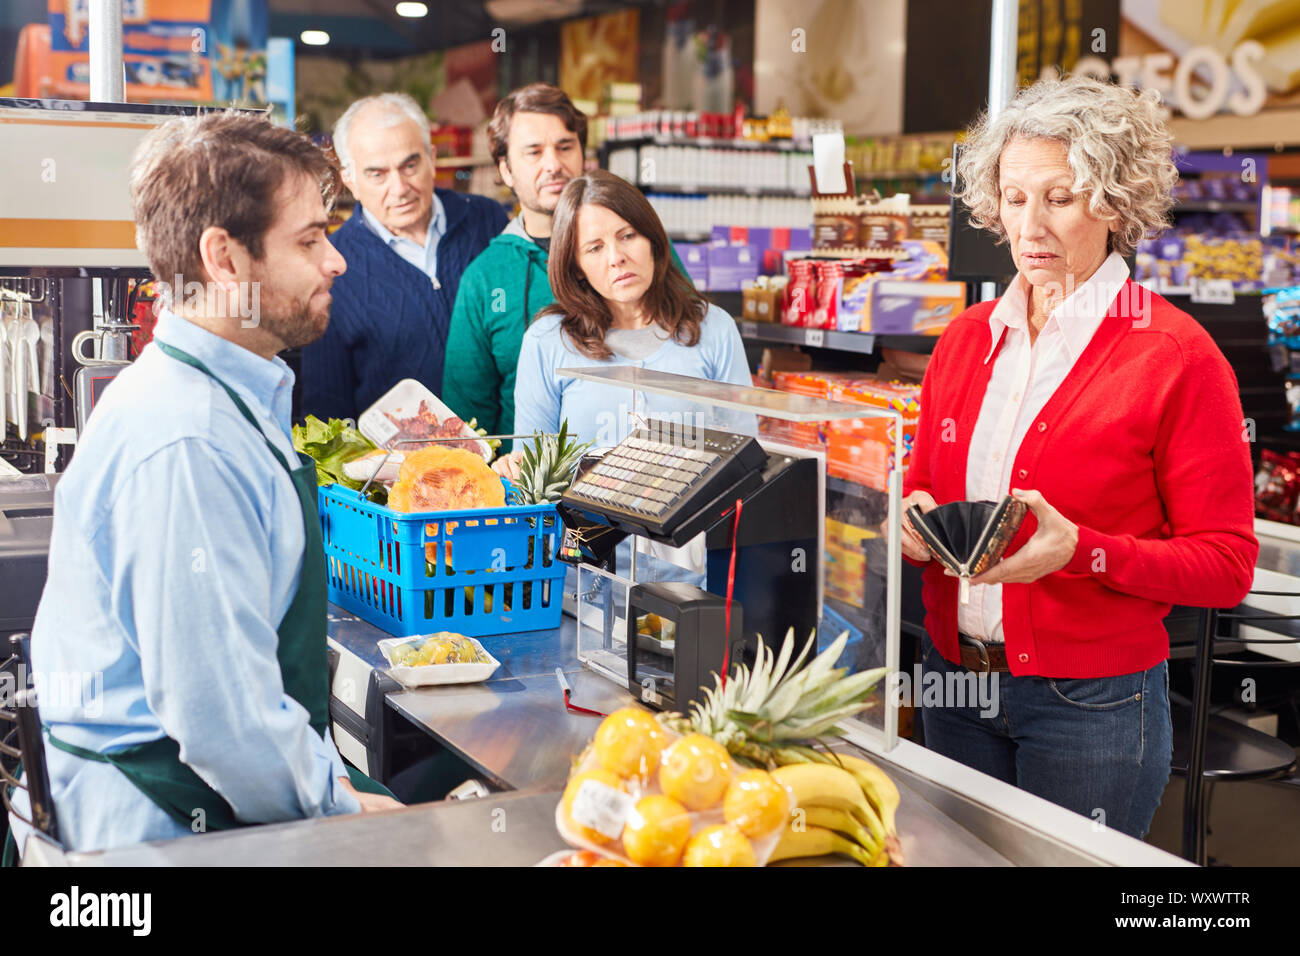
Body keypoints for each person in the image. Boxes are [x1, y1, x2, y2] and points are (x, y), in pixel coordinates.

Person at [5, 113, 401, 861]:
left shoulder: (222, 393)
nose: (337, 262)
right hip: (149, 829)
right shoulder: (186, 439)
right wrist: (342, 809)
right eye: (310, 239)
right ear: (223, 257)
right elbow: (225, 719)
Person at [897, 77, 1258, 839]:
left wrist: (1083, 554)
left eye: (1060, 197)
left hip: (1091, 705)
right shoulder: (965, 340)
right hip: (952, 682)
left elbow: (1225, 562)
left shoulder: (1176, 357)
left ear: (1117, 203)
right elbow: (928, 484)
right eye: (1014, 196)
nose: (1030, 225)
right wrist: (913, 518)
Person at [507, 170, 753, 585]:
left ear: (654, 242)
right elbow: (535, 478)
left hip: (693, 584)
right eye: (595, 247)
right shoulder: (548, 340)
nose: (616, 257)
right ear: (576, 266)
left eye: (627, 236)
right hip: (582, 582)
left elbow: (746, 460)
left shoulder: (713, 329)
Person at [299, 92, 507, 422]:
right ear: (349, 180)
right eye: (377, 174)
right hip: (398, 470)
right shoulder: (329, 269)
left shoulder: (489, 222)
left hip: (508, 458)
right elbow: (327, 415)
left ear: (432, 157)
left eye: (410, 165)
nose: (399, 188)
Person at [441, 84, 588, 452]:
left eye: (565, 146)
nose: (553, 164)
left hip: (639, 490)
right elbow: (468, 424)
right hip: (525, 500)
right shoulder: (484, 277)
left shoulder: (634, 246)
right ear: (505, 169)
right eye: (534, 152)